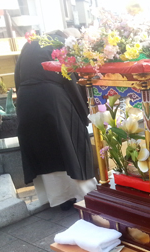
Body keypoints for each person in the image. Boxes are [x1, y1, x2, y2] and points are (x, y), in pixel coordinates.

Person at [15, 29, 97, 210]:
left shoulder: (29, 45)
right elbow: (72, 78)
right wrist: (85, 112)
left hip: (25, 99)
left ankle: (59, 198)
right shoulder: (62, 44)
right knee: (70, 145)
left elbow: (18, 76)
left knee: (44, 150)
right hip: (53, 98)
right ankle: (84, 195)